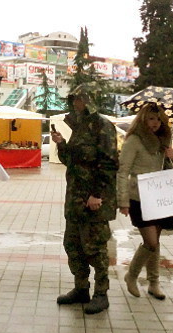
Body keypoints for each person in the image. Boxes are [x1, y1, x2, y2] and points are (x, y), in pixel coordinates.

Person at [51, 84, 118, 315]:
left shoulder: (102, 125)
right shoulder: (79, 126)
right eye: (73, 100)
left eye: (78, 99)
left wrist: (97, 194)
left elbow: (109, 163)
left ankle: (101, 293)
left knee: (96, 249)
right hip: (76, 201)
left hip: (94, 202)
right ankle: (81, 288)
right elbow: (71, 160)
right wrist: (61, 143)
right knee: (73, 246)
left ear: (89, 100)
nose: (74, 103)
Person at [117, 103, 173, 300]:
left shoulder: (162, 141)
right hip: (138, 198)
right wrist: (123, 200)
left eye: (158, 119)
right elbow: (123, 171)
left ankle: (153, 282)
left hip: (157, 198)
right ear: (143, 119)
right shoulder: (134, 140)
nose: (155, 123)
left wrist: (171, 157)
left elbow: (170, 172)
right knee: (150, 242)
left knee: (155, 242)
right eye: (151, 119)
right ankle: (131, 275)